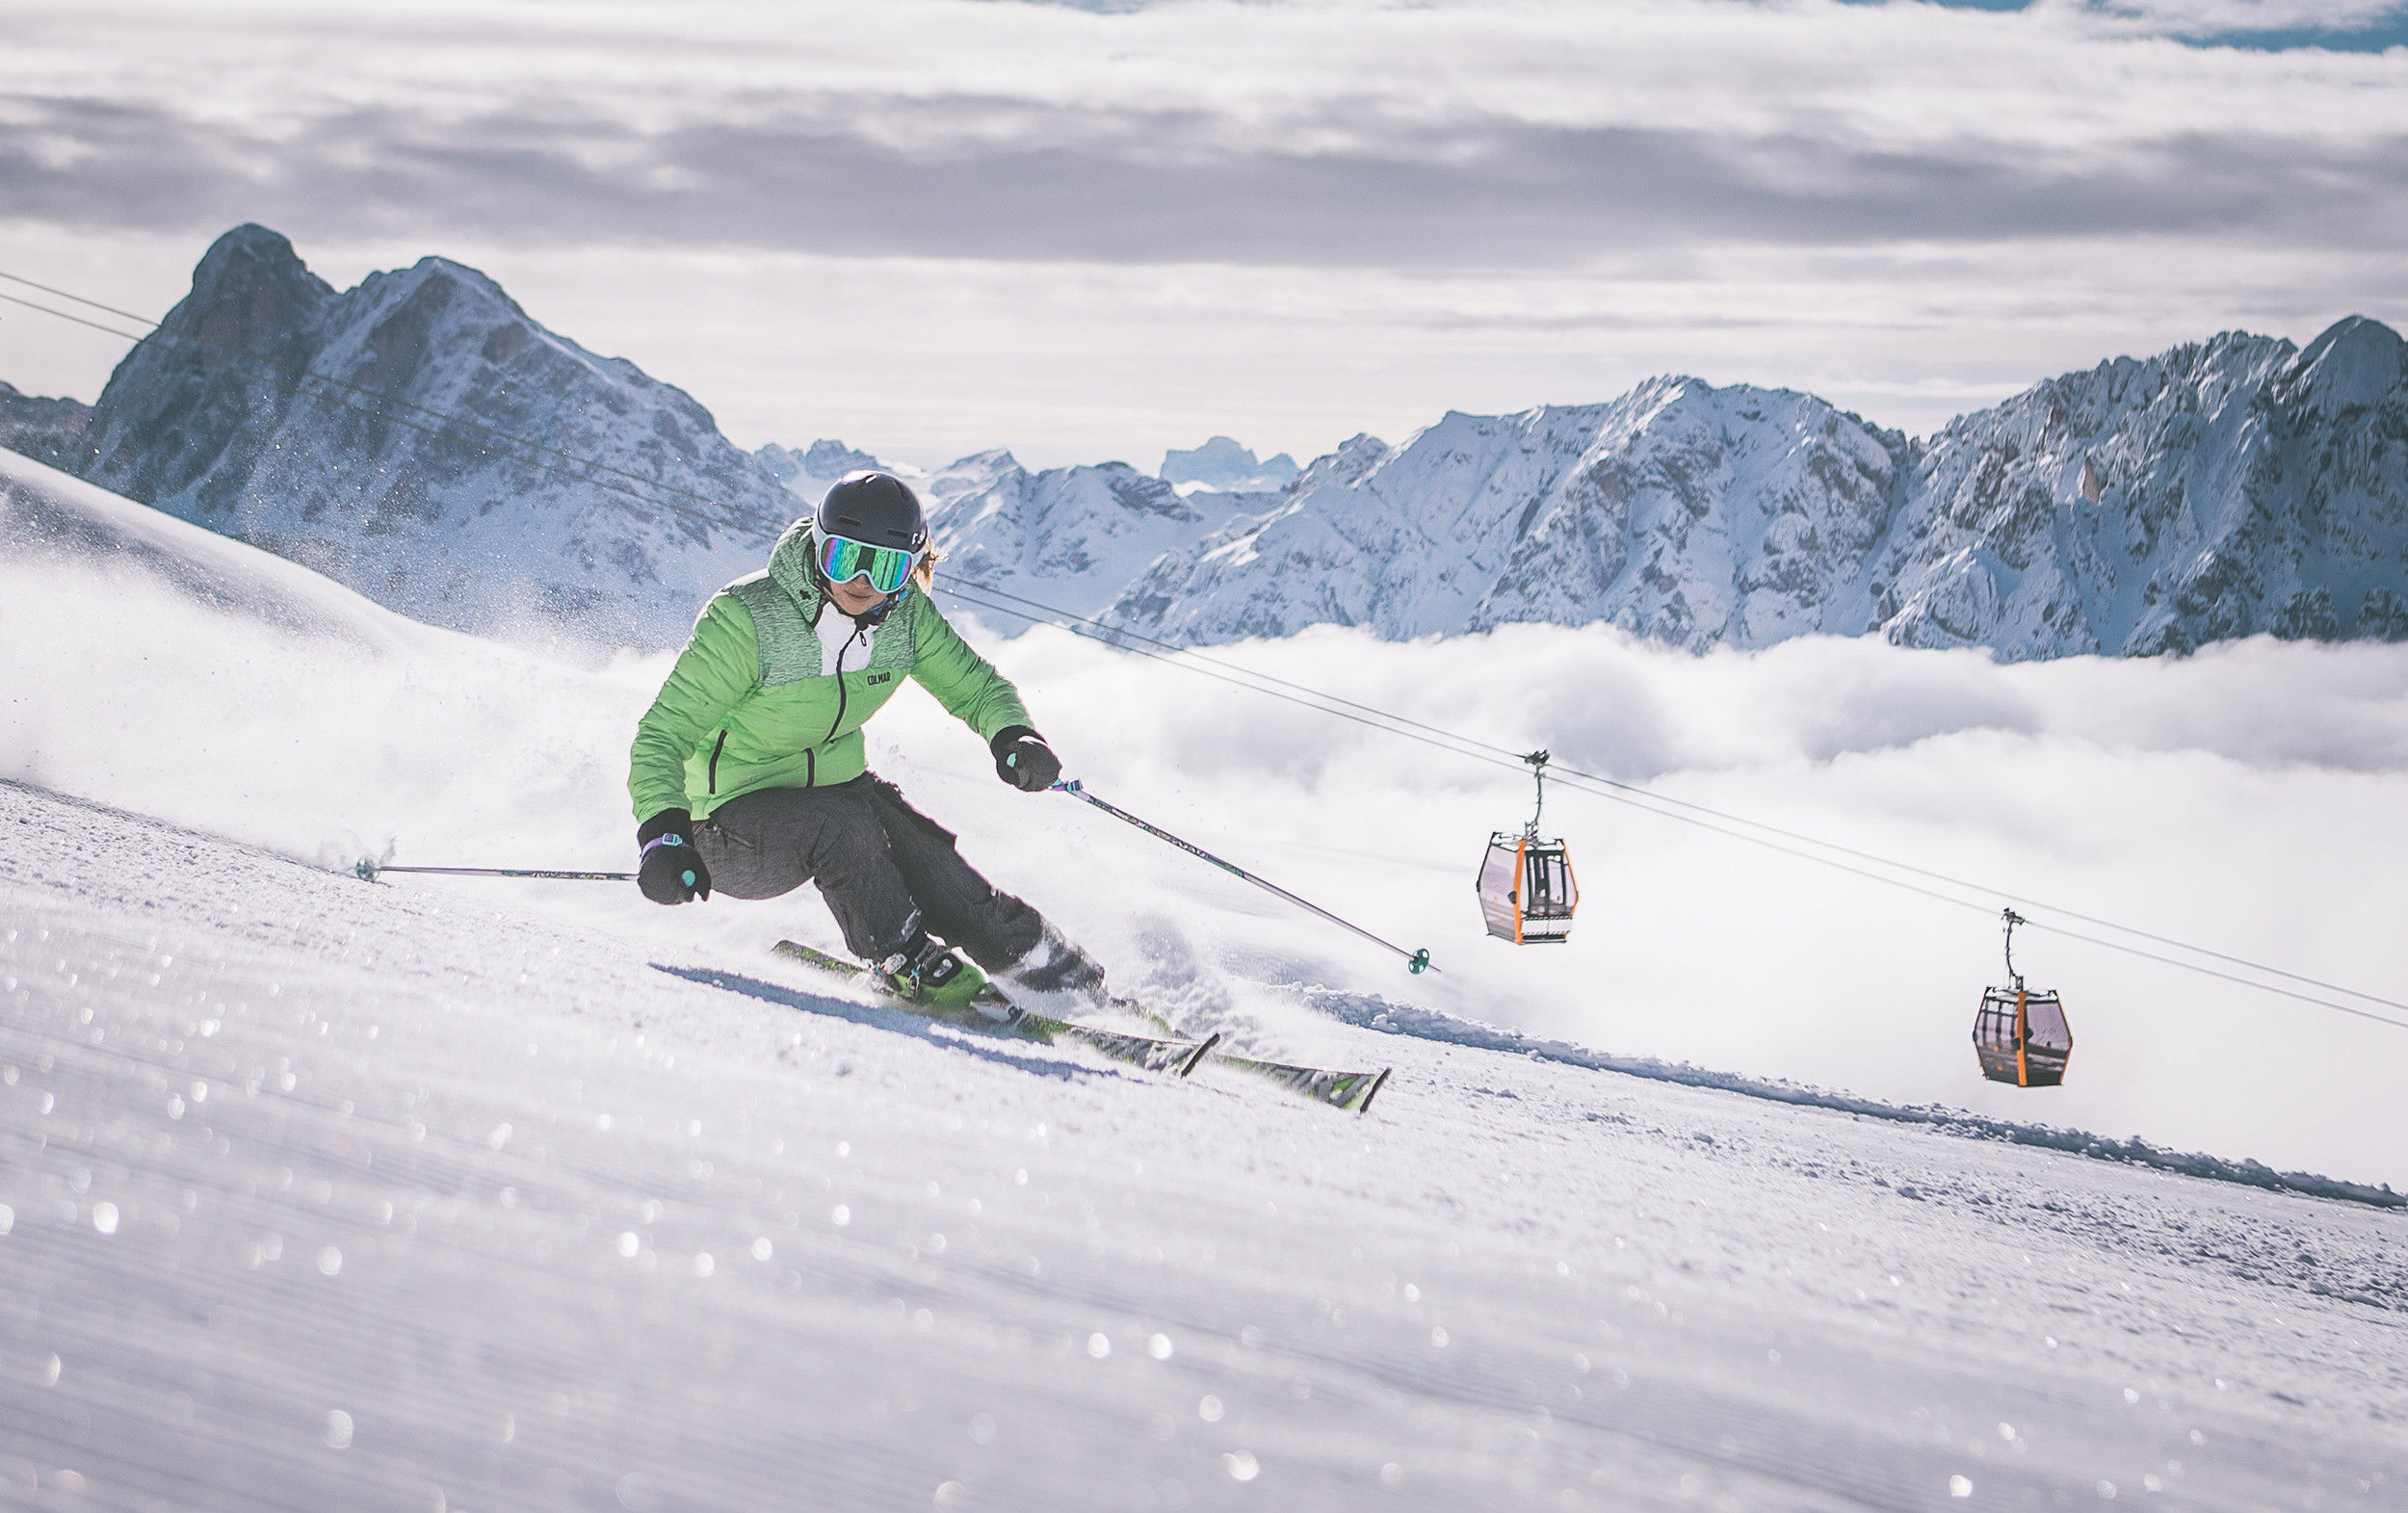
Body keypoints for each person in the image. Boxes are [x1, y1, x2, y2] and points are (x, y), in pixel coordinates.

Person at [626, 470, 1107, 1013]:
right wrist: (663, 836)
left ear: (910, 567)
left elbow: (976, 688)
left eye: (885, 566)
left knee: (936, 869)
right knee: (841, 827)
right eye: (844, 558)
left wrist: (1014, 734)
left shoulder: (906, 619)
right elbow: (662, 736)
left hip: (836, 794)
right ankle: (902, 959)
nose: (862, 581)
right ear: (817, 546)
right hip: (719, 827)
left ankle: (1063, 979)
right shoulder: (747, 619)